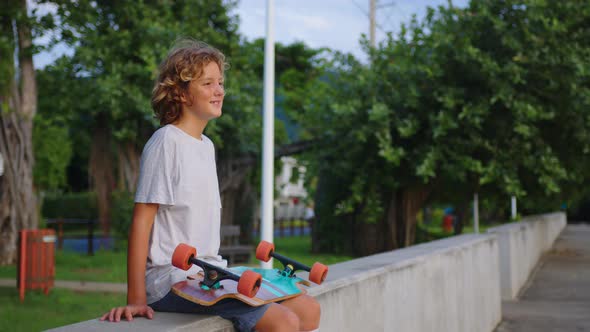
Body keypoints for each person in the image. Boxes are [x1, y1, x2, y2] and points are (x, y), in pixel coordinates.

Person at [100, 39, 321, 332]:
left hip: (211, 273)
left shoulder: (206, 146)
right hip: (173, 279)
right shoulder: (166, 142)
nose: (219, 91)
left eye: (220, 82)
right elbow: (142, 221)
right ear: (180, 93)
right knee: (283, 324)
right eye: (207, 83)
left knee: (309, 310)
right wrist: (137, 298)